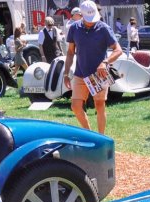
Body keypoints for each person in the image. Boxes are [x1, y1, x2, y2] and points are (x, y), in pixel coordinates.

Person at [64, 0, 122, 135]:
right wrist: (66, 74)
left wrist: (105, 62)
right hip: (80, 73)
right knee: (75, 106)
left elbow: (118, 50)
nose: (91, 21)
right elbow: (70, 52)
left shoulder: (104, 28)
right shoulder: (74, 29)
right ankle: (90, 134)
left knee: (100, 106)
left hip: (99, 75)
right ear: (81, 15)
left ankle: (101, 137)